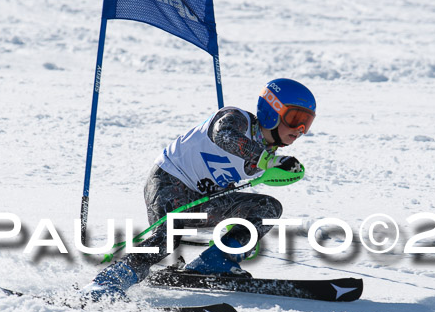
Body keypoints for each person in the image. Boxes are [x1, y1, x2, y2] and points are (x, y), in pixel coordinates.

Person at [82, 78, 316, 300]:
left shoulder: (266, 157)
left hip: (201, 199)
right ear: (271, 111)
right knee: (168, 239)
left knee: (268, 208)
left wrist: (281, 172)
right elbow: (223, 136)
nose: (300, 129)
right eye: (295, 118)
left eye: (307, 123)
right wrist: (267, 162)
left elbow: (256, 172)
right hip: (168, 182)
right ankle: (107, 282)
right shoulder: (235, 118)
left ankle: (216, 261)